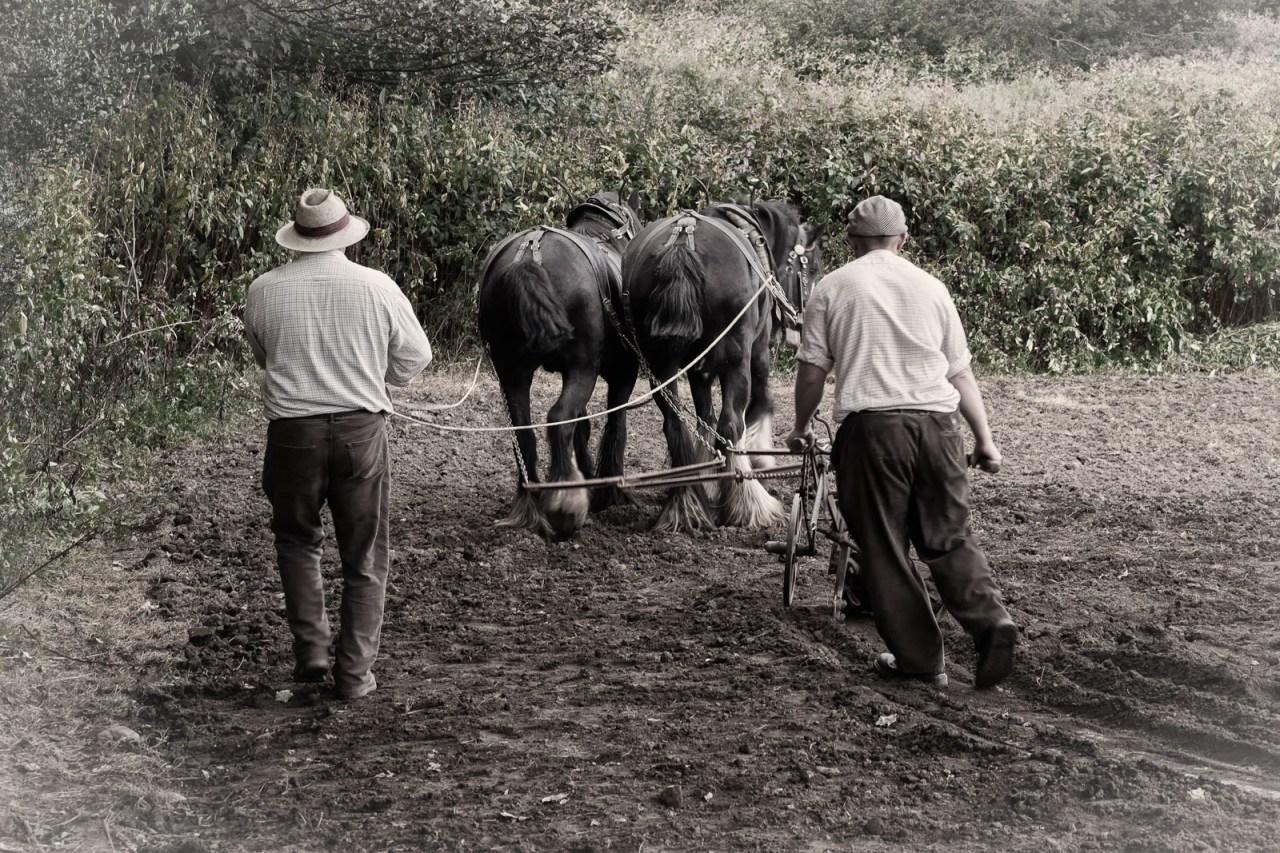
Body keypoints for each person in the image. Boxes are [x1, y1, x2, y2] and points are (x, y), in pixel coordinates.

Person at [784, 195, 1016, 690]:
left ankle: (921, 661)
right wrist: (985, 440)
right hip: (938, 427)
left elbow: (812, 372)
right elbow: (960, 372)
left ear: (851, 241)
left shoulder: (833, 286)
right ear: (903, 239)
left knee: (884, 547)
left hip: (874, 432)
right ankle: (991, 622)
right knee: (948, 535)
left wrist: (802, 427)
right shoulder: (932, 287)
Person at [244, 187, 433, 700]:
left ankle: (311, 652)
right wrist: (376, 372)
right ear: (346, 234)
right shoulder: (376, 285)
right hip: (359, 433)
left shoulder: (263, 289)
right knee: (366, 556)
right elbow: (415, 359)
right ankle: (353, 677)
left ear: (296, 238)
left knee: (296, 540)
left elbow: (265, 356)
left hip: (292, 436)